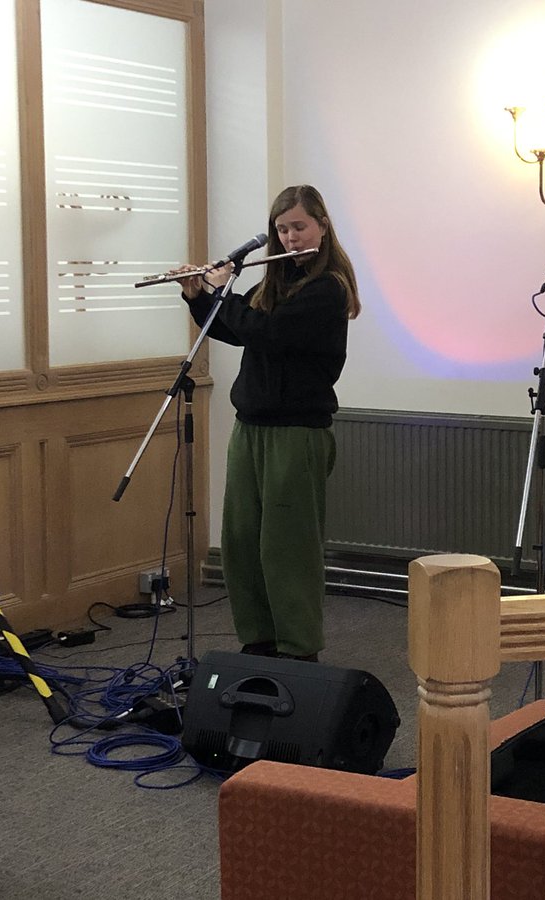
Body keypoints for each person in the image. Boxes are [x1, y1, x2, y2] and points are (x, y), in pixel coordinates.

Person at [173, 185, 360, 661]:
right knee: (241, 542)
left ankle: (298, 650)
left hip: (296, 433)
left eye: (299, 227)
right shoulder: (275, 280)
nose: (291, 237)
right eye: (282, 229)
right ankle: (258, 641)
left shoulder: (328, 287)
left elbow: (269, 333)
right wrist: (198, 298)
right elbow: (236, 330)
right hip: (251, 427)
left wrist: (221, 290)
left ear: (321, 225)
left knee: (287, 547)